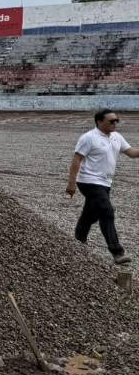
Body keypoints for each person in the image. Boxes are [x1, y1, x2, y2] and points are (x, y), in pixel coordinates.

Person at [66, 109, 139, 266]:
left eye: (116, 121)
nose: (115, 124)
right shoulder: (88, 138)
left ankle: (78, 242)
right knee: (107, 211)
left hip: (105, 183)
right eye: (111, 121)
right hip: (88, 181)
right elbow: (76, 160)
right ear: (99, 121)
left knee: (91, 215)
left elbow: (131, 152)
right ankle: (117, 252)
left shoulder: (116, 137)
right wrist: (71, 183)